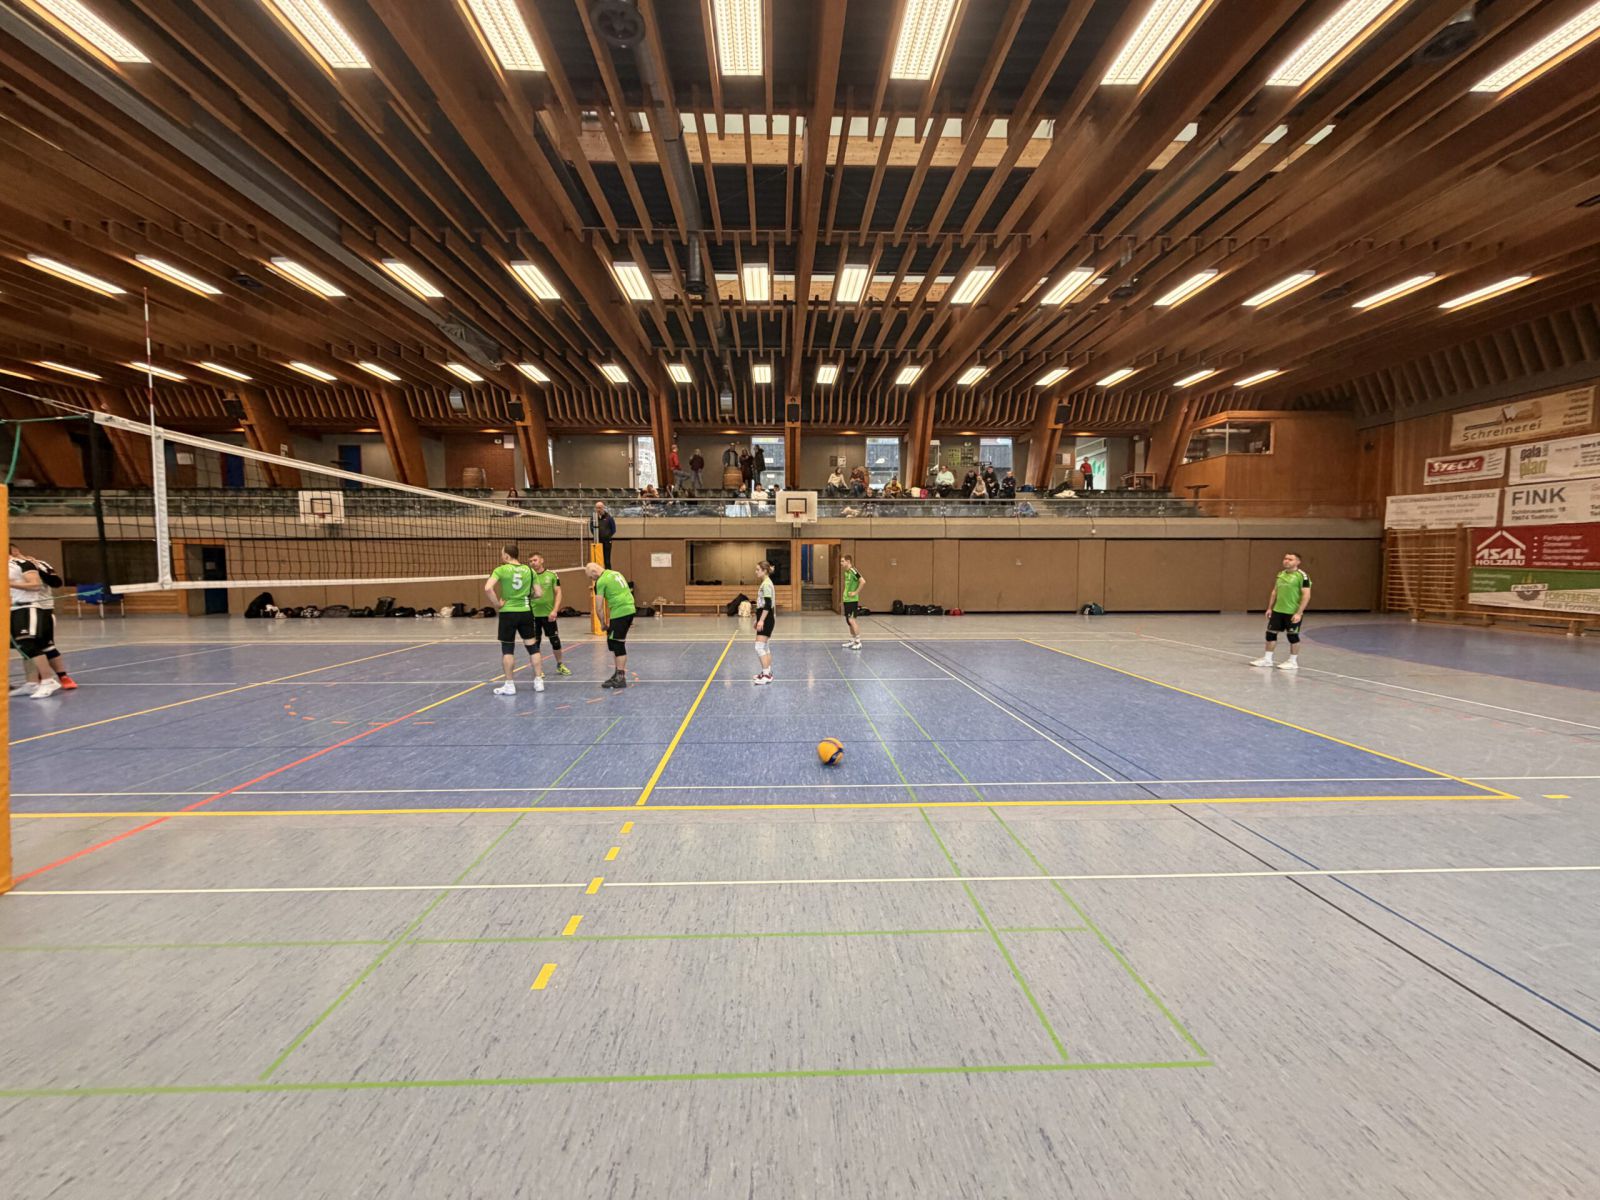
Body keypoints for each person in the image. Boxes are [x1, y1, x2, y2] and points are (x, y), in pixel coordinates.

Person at [10, 547, 70, 699]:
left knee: (36, 644)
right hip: (12, 610)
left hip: (34, 608)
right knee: (23, 647)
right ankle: (32, 683)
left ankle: (53, 679)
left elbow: (48, 583)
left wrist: (11, 583)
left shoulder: (26, 564)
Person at [484, 544, 544, 695]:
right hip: (525, 612)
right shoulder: (530, 570)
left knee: (507, 649)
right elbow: (539, 593)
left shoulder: (501, 569)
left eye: (502, 553)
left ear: (506, 556)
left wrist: (497, 604)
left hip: (508, 613)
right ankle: (539, 682)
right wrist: (526, 597)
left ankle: (510, 685)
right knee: (533, 648)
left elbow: (488, 588)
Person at [1252, 552, 1312, 671]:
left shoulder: (1303, 576)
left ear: (1298, 562)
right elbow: (1275, 591)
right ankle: (1267, 659)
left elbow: (1306, 595)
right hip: (1278, 610)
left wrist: (1299, 613)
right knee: (1270, 634)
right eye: (1285, 558)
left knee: (1292, 636)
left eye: (1290, 559)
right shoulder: (1281, 574)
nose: (1286, 561)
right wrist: (1270, 608)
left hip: (1292, 612)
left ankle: (1293, 662)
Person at [588, 560, 635, 688]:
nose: (592, 580)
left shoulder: (601, 581)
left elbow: (598, 607)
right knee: (613, 642)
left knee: (618, 644)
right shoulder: (615, 573)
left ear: (594, 572)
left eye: (591, 577)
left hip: (621, 612)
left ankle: (620, 677)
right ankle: (617, 674)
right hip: (628, 609)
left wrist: (603, 623)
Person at [528, 552, 570, 679]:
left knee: (555, 641)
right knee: (535, 643)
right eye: (530, 561)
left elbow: (558, 593)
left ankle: (560, 664)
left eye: (535, 560)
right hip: (533, 615)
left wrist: (555, 610)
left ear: (542, 560)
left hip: (548, 615)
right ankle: (538, 670)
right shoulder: (528, 576)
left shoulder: (552, 575)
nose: (532, 563)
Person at [752, 559, 775, 685]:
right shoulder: (766, 582)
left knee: (759, 647)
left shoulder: (766, 584)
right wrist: (758, 619)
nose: (756, 572)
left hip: (766, 618)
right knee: (765, 647)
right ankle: (767, 672)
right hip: (765, 617)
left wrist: (761, 620)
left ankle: (766, 675)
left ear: (764, 571)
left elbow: (768, 604)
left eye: (758, 570)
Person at [840, 554, 864, 650]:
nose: (841, 563)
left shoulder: (853, 571)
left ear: (848, 561)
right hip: (847, 600)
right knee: (848, 621)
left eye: (842, 561)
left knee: (851, 620)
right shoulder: (846, 572)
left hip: (852, 600)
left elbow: (863, 581)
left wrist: (855, 592)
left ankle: (858, 641)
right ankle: (852, 640)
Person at [593, 500, 615, 568]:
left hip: (607, 542)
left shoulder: (609, 518)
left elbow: (613, 529)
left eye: (600, 508)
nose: (598, 509)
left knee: (607, 561)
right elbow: (592, 528)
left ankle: (609, 573)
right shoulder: (593, 518)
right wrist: (597, 536)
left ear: (603, 508)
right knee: (598, 560)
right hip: (597, 542)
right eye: (597, 508)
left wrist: (607, 536)